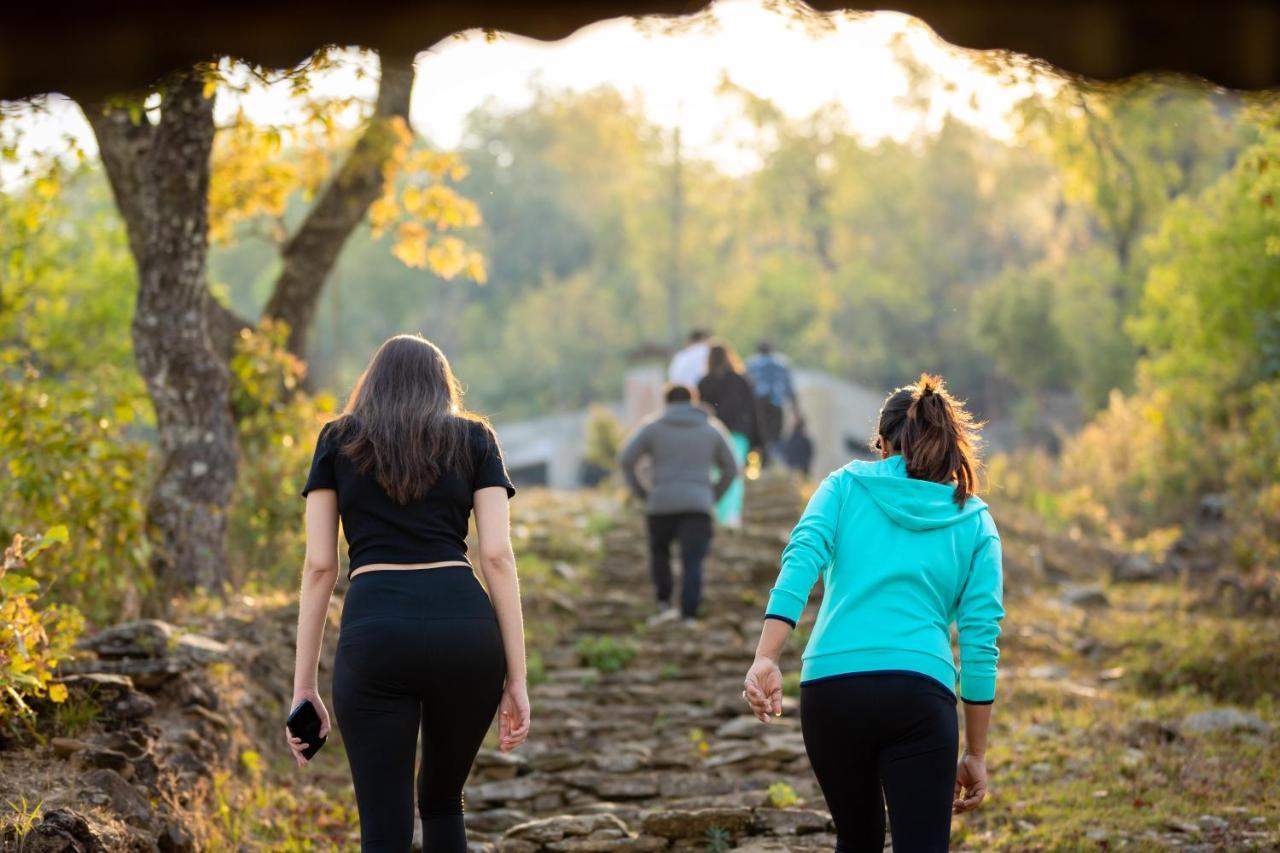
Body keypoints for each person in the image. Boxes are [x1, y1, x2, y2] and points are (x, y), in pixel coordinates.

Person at [287, 334, 531, 853]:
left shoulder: (337, 440)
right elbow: (497, 558)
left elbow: (319, 566)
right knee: (444, 799)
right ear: (443, 386)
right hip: (466, 634)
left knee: (383, 821)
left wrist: (303, 687)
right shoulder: (475, 439)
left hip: (375, 632)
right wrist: (517, 677)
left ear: (371, 383)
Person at [742, 374, 1004, 852]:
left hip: (832, 688)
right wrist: (976, 753)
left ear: (882, 443)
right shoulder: (974, 518)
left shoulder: (843, 485)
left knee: (857, 840)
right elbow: (980, 641)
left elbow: (801, 561)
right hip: (920, 694)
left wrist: (766, 657)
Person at [619, 384, 738, 627]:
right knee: (692, 561)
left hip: (661, 503)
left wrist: (643, 492)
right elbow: (732, 467)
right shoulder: (711, 429)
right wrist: (712, 495)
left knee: (660, 555)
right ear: (693, 401)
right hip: (698, 505)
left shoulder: (652, 427)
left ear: (666, 402)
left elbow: (626, 459)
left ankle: (664, 604)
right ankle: (689, 615)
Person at [696, 341, 758, 528]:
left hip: (712, 434)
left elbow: (700, 411)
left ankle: (716, 511)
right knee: (734, 473)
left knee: (715, 473)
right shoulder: (741, 380)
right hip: (738, 434)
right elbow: (752, 411)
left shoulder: (703, 383)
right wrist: (758, 441)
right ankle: (732, 515)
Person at [744, 341, 799, 467]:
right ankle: (773, 463)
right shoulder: (781, 363)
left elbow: (747, 386)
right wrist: (796, 410)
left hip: (757, 405)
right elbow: (790, 389)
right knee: (775, 437)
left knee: (759, 437)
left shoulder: (751, 364)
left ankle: (759, 463)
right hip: (776, 404)